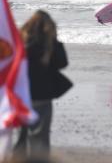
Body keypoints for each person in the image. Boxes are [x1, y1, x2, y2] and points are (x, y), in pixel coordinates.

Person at [14, 10, 72, 159]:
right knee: (39, 136)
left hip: (20, 95)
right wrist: (56, 41)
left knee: (20, 135)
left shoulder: (20, 42)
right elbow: (62, 63)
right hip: (42, 95)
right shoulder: (48, 45)